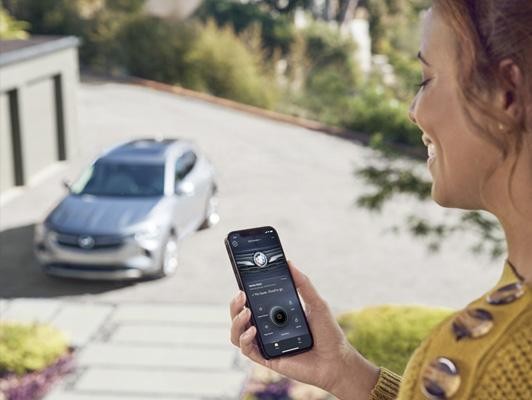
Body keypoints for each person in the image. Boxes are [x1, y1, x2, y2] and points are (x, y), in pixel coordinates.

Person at [229, 1, 532, 399]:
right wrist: (343, 370)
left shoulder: (484, 366)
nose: (413, 111)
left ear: (505, 94)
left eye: (426, 79)